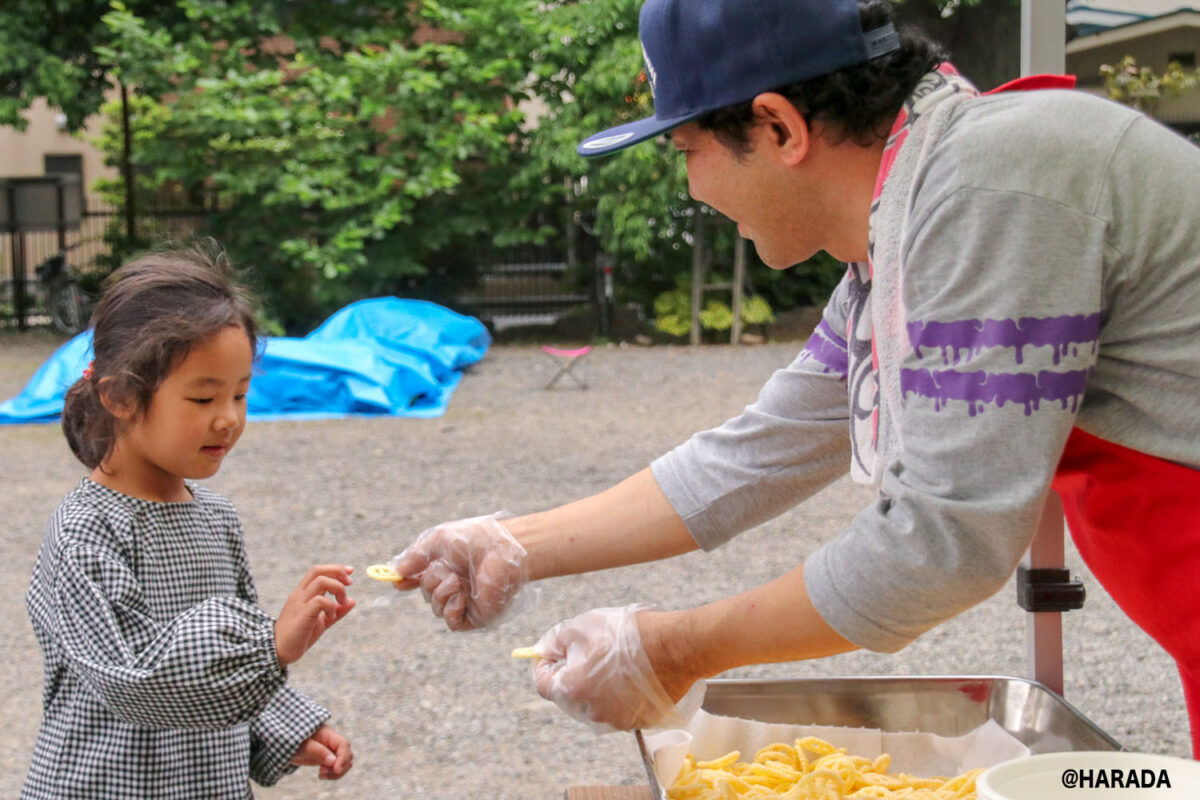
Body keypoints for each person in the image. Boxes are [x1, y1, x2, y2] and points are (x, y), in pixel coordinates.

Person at [393, 0, 1200, 752]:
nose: (691, 187)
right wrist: (510, 544)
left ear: (777, 126)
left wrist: (672, 651)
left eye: (687, 152)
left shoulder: (990, 188)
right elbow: (763, 446)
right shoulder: (912, 217)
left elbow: (943, 541)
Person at [22, 245, 357, 798]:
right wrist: (268, 647)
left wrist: (286, 727)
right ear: (121, 396)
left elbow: (225, 669)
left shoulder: (218, 520)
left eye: (241, 394)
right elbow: (135, 680)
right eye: (203, 397)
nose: (228, 418)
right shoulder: (84, 531)